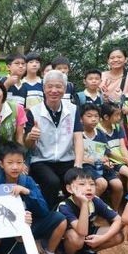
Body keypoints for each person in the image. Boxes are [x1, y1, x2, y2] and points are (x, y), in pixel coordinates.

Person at [0, 142, 67, 254]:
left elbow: (44, 210)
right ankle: (34, 244)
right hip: (15, 234)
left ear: (24, 164)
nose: (15, 167)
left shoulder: (28, 181)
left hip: (32, 224)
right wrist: (16, 233)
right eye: (10, 162)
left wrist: (26, 191)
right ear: (1, 164)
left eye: (19, 162)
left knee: (60, 219)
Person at [25, 70, 84, 209]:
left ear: (65, 89)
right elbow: (27, 145)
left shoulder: (73, 109)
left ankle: (72, 216)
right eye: (50, 86)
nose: (54, 90)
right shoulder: (34, 111)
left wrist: (78, 165)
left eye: (58, 86)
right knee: (52, 182)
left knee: (76, 181)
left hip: (66, 159)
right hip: (41, 160)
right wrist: (31, 136)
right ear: (43, 88)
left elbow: (78, 138)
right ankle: (49, 215)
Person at [57, 168, 123, 254]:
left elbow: (118, 219)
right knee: (77, 238)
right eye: (82, 184)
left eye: (92, 184)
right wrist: (84, 204)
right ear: (70, 188)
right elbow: (81, 232)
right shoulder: (65, 206)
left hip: (86, 232)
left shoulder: (95, 200)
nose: (89, 188)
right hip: (69, 237)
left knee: (118, 236)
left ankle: (88, 252)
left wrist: (103, 238)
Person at [80, 103, 123, 210]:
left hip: (102, 166)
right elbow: (76, 157)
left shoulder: (100, 133)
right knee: (101, 183)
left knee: (118, 185)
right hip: (86, 167)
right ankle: (89, 210)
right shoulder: (78, 134)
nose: (93, 119)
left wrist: (107, 162)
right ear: (81, 119)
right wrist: (94, 160)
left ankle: (114, 211)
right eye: (89, 116)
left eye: (96, 116)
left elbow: (105, 153)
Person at [98, 102, 128, 193]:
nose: (119, 118)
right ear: (106, 117)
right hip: (112, 160)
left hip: (124, 157)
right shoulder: (98, 130)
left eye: (119, 115)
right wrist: (126, 160)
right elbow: (108, 153)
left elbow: (123, 146)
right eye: (116, 115)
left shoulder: (117, 127)